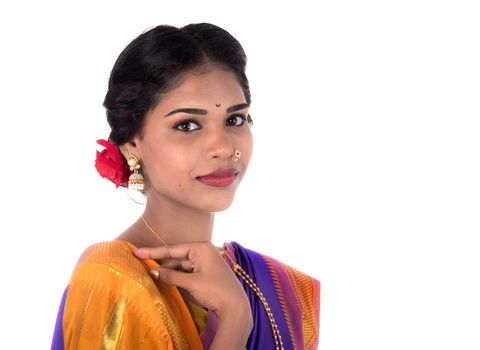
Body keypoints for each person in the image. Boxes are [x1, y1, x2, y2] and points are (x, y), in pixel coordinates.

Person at [51, 23, 321, 350]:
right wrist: (236, 320)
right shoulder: (111, 280)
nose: (223, 148)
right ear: (131, 143)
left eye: (235, 119)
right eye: (187, 125)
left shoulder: (287, 290)